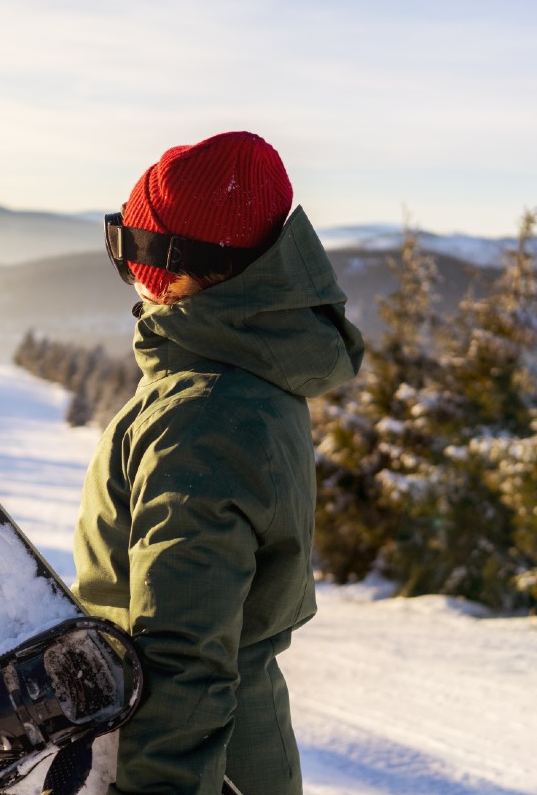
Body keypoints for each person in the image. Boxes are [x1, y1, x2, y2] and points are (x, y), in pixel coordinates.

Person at [72, 131, 364, 795]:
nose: (132, 278)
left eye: (131, 250)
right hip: (223, 749)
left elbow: (181, 658)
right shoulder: (246, 377)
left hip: (191, 767)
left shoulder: (202, 420)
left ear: (178, 268)